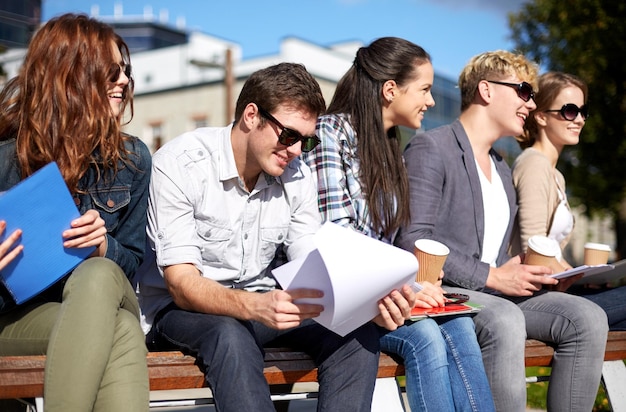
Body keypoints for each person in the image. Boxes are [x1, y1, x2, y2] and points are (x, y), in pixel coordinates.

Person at [136, 62, 406, 412]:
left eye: (306, 141)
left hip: (261, 306)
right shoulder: (180, 164)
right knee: (230, 334)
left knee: (356, 335)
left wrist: (366, 304)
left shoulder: (296, 176)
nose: (296, 150)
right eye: (289, 135)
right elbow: (181, 284)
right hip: (179, 312)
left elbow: (312, 263)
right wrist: (254, 306)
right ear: (251, 115)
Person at [395, 50, 608, 412]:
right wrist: (492, 276)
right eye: (524, 91)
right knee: (505, 320)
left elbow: (494, 254)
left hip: (491, 292)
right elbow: (413, 238)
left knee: (588, 317)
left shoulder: (502, 167)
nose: (530, 102)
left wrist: (526, 270)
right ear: (486, 90)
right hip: (446, 292)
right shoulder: (433, 147)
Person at [302, 37, 495, 412]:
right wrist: (406, 284)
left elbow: (389, 242)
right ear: (391, 89)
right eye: (424, 89)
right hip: (338, 295)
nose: (432, 100)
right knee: (424, 335)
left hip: (381, 296)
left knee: (459, 324)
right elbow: (338, 238)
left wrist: (418, 281)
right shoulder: (330, 133)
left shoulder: (390, 145)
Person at [0, 13, 150, 412]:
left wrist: (104, 248)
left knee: (100, 273)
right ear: (70, 76)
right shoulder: (4, 161)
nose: (123, 81)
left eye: (126, 71)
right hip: (19, 317)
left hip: (108, 296)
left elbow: (133, 260)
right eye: (111, 71)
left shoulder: (133, 159)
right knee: (119, 334)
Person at [512, 71, 626, 330]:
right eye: (569, 111)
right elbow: (535, 250)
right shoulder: (534, 164)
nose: (580, 120)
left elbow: (552, 256)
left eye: (583, 111)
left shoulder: (556, 176)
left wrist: (584, 277)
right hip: (530, 300)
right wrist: (578, 278)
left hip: (551, 293)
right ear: (540, 116)